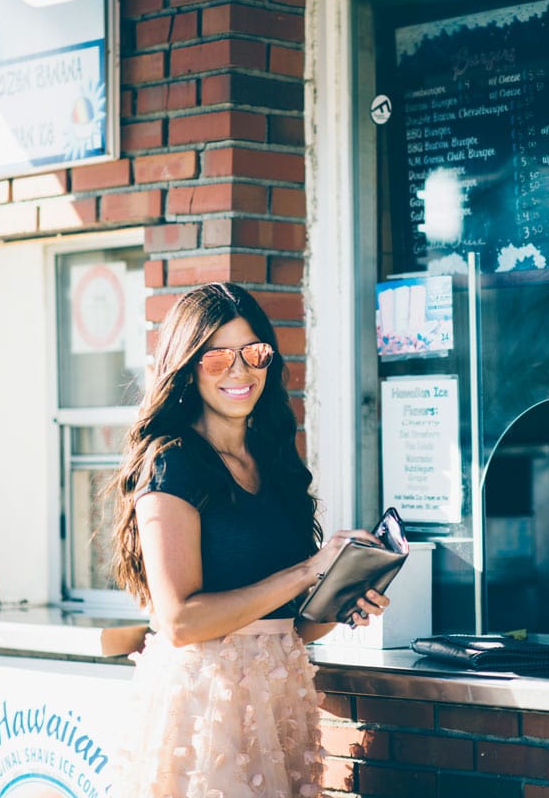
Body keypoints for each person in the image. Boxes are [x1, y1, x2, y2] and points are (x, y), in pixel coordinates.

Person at [108, 282, 389, 798]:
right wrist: (308, 571)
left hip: (278, 704)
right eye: (217, 358)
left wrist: (340, 596)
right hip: (204, 711)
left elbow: (290, 627)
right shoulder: (172, 462)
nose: (239, 372)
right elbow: (180, 621)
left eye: (254, 354)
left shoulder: (276, 461)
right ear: (187, 367)